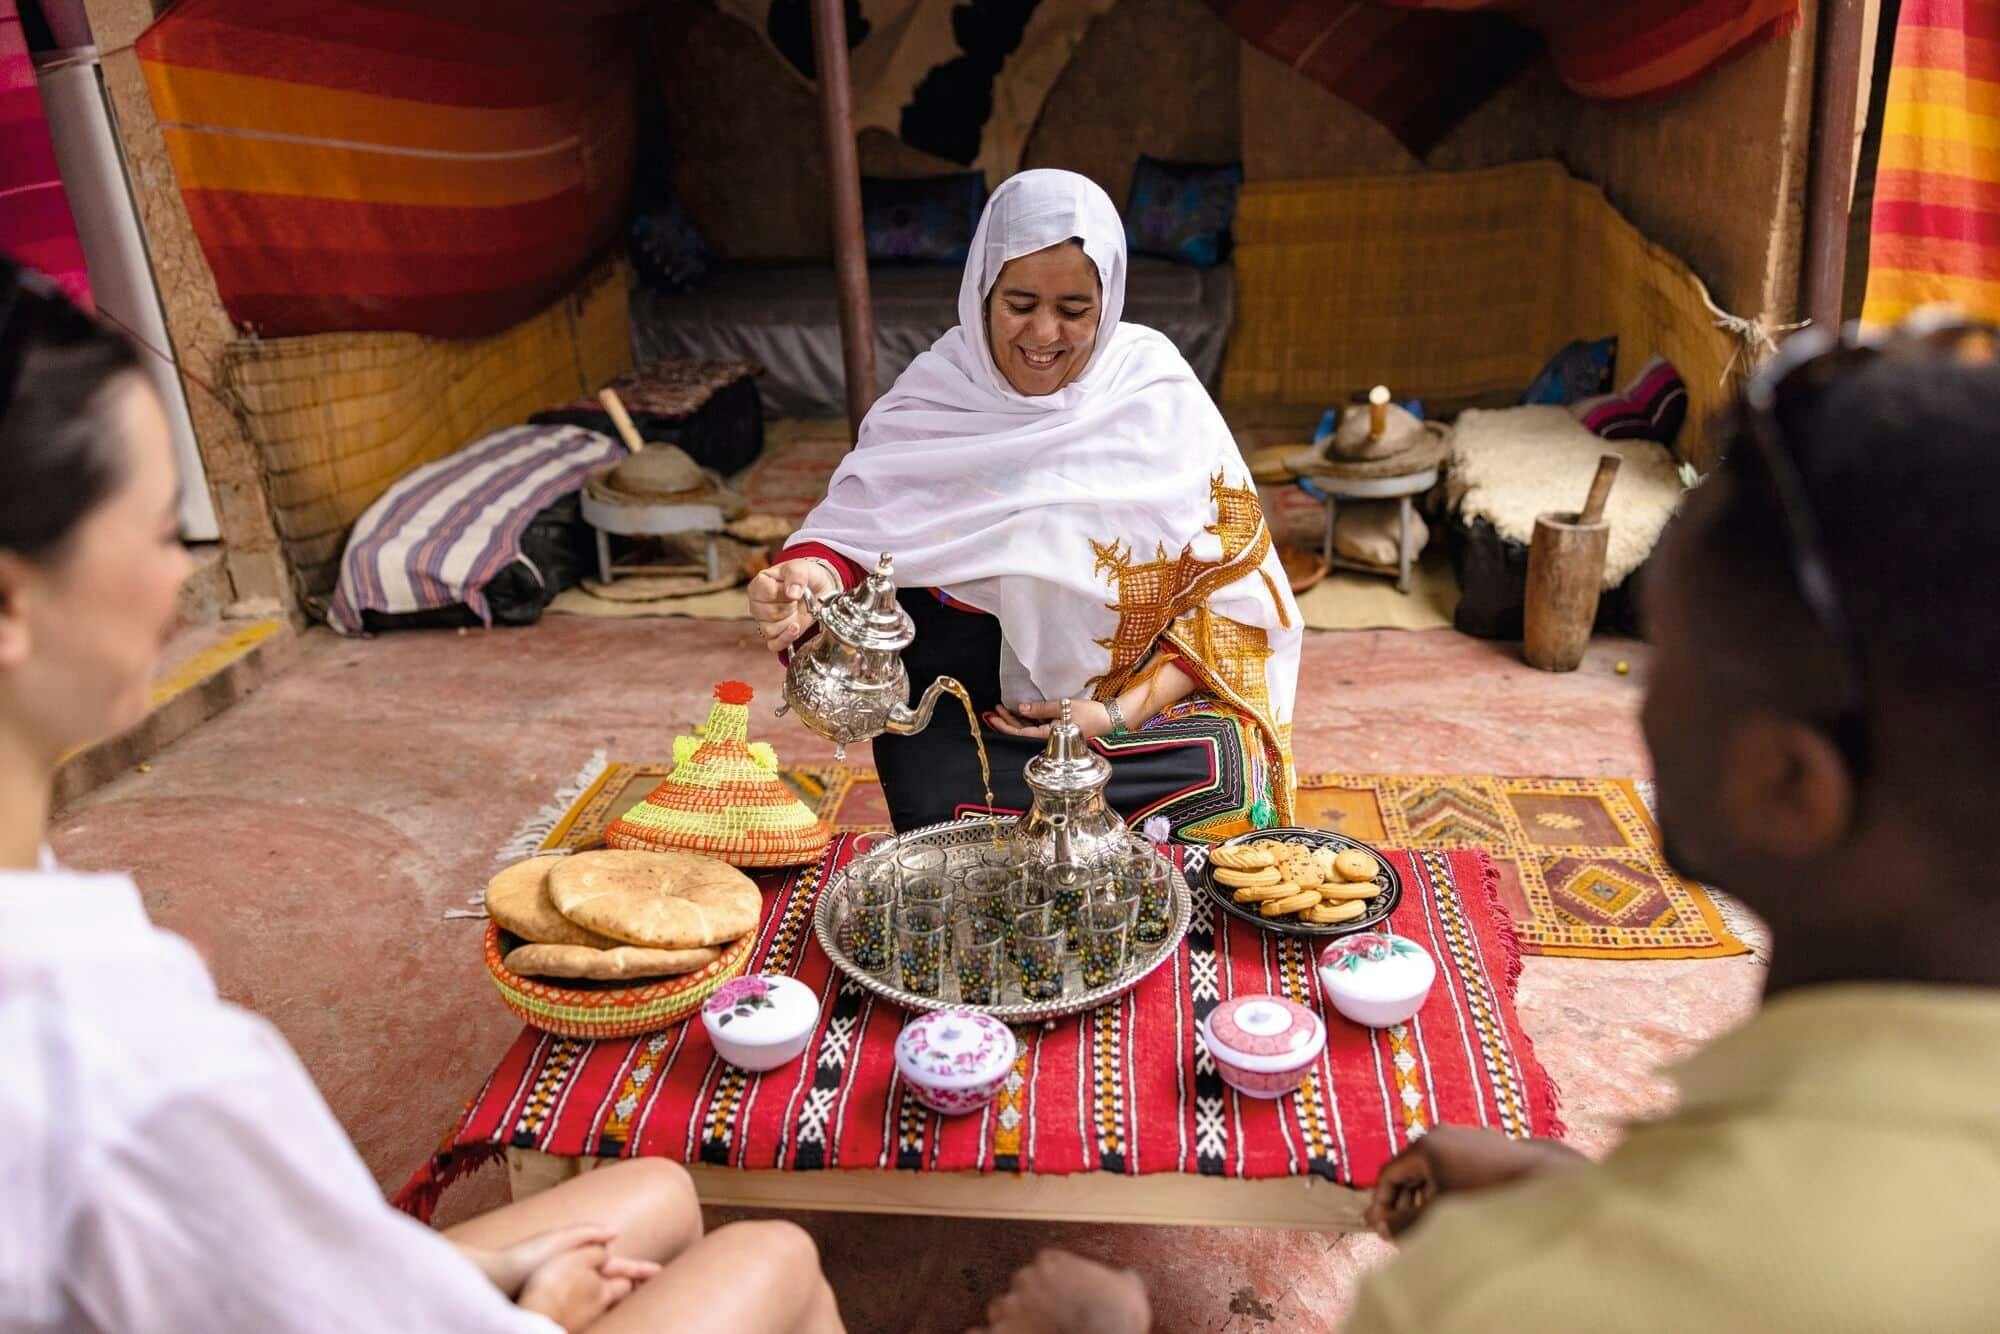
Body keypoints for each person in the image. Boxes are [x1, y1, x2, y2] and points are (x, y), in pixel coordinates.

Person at [0, 260, 843, 1333]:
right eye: (163, 529)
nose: (179, 577)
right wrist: (537, 1302)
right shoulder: (120, 1057)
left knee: (658, 1186)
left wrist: (509, 1265)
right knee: (769, 1256)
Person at [1338, 314, 2000, 1328]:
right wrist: (1581, 1195)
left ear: (1788, 787)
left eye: (1669, 662)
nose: (1637, 704)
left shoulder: (1491, 1301)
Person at [750, 170, 1301, 839]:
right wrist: (813, 576)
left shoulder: (1155, 394)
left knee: (1228, 777)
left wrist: (1114, 716)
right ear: (981, 292)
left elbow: (1237, 599)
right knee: (946, 819)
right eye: (1019, 303)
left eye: (1074, 310)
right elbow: (858, 528)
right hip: (972, 721)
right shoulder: (936, 396)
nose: (1044, 334)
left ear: (1110, 301)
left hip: (1118, 723)